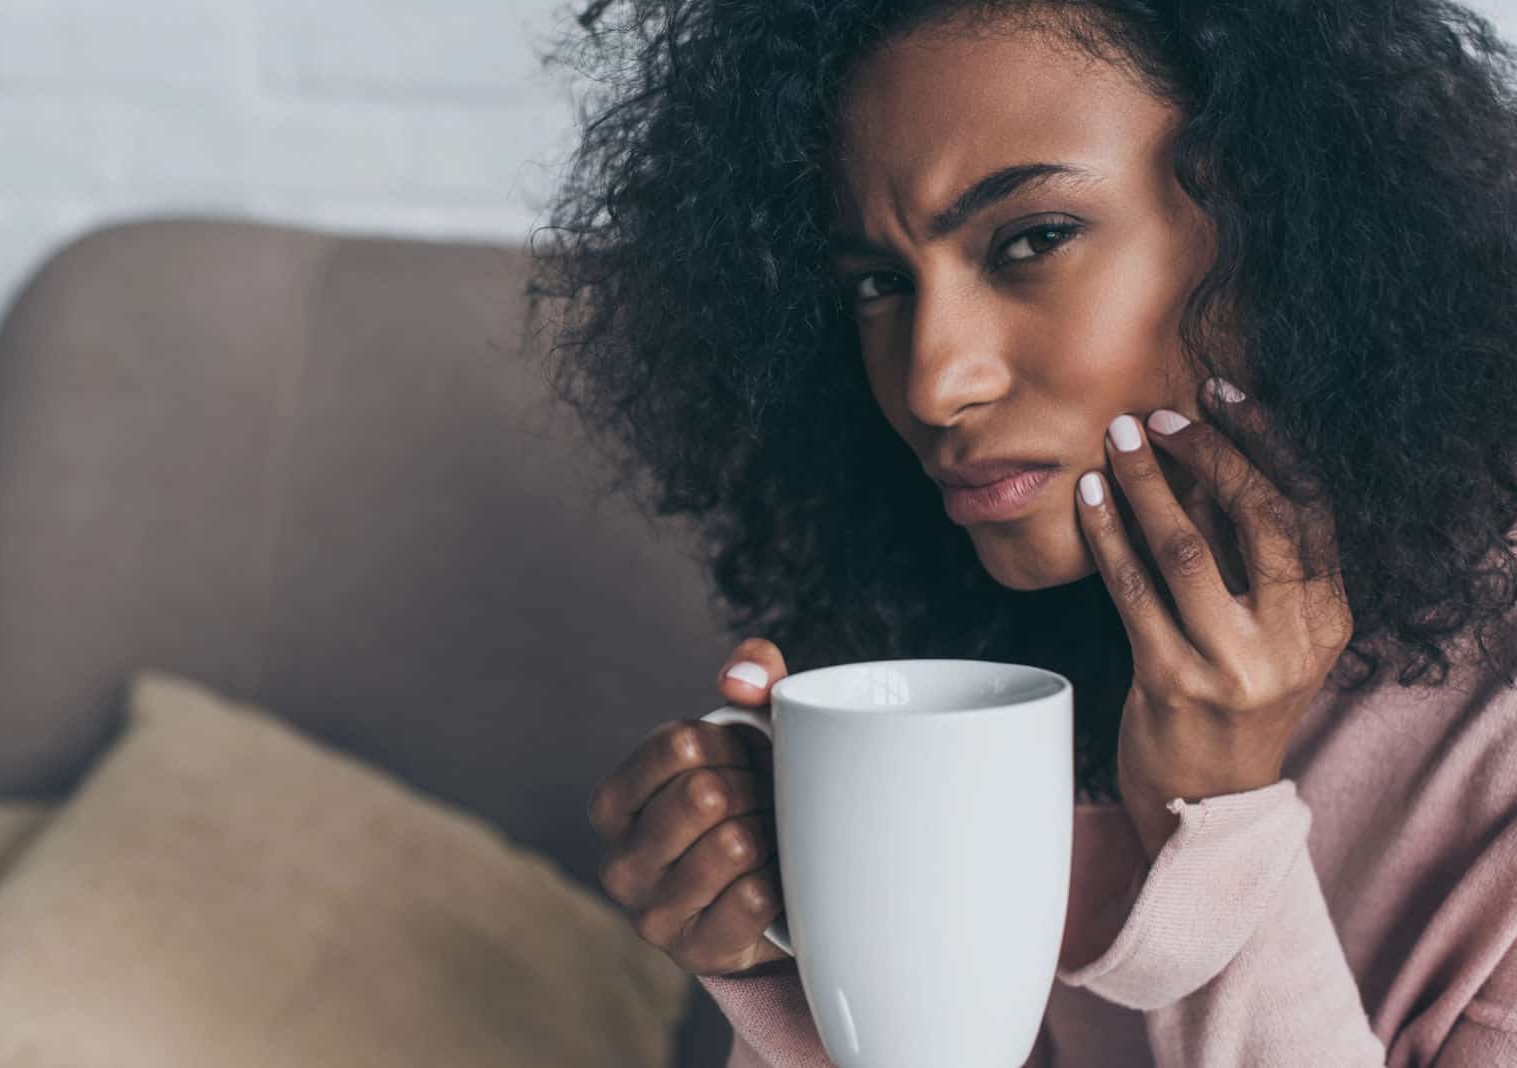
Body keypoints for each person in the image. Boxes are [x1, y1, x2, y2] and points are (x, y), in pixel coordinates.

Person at [528, 0, 1517, 1063]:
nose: (933, 380)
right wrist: (798, 946)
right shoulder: (969, 655)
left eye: (1032, 239)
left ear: (1280, 218)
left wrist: (1219, 824)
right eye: (876, 284)